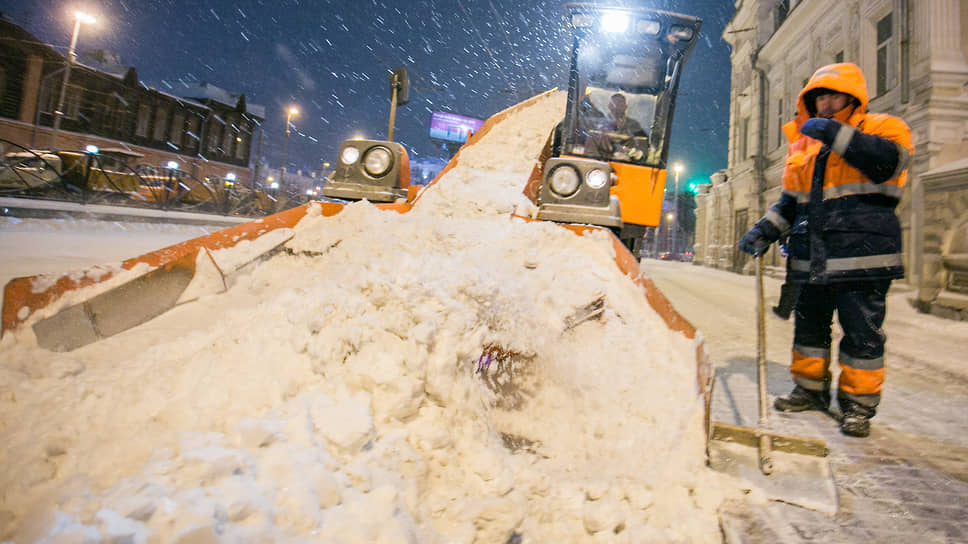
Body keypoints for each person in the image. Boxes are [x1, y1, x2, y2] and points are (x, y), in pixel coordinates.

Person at [737, 63, 913, 438]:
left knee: (861, 334)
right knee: (809, 329)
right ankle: (809, 389)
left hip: (862, 254)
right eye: (818, 97)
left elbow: (888, 163)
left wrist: (837, 135)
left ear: (852, 98)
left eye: (833, 95)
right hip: (810, 257)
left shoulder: (883, 127)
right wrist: (764, 230)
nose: (826, 104)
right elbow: (793, 201)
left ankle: (858, 405)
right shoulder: (805, 145)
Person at [584, 93, 648, 161]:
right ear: (609, 106)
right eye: (614, 104)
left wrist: (625, 130)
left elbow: (642, 149)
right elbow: (589, 149)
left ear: (625, 107)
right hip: (600, 163)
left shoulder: (634, 125)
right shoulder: (598, 123)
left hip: (626, 163)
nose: (616, 107)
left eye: (620, 104)